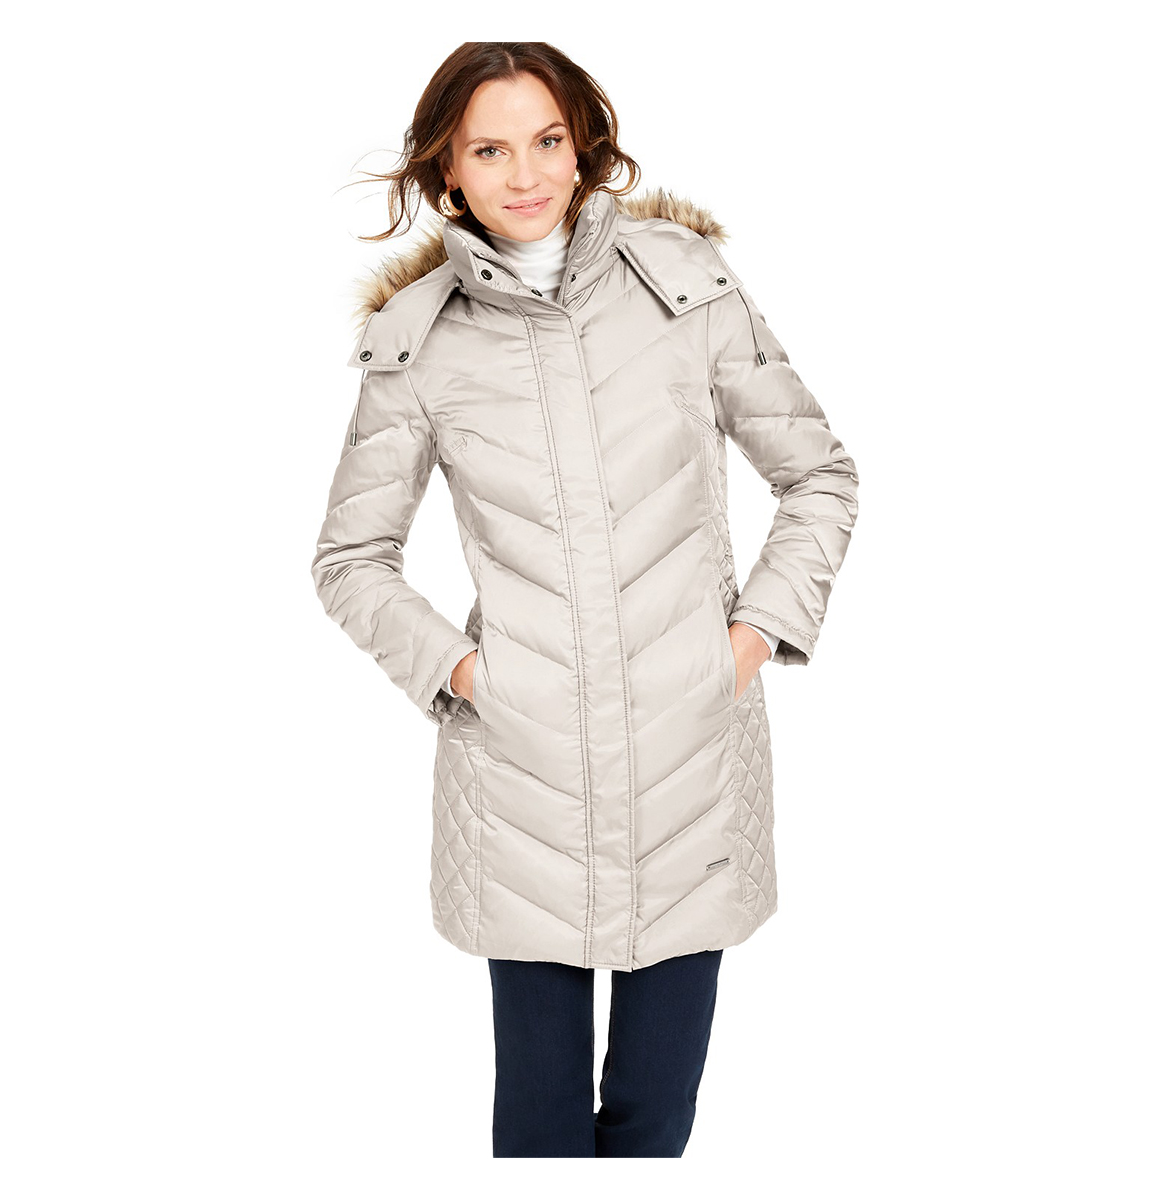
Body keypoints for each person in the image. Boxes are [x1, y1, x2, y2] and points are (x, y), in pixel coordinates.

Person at [311, 42, 859, 1158]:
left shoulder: (686, 286)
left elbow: (819, 476)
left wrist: (750, 639)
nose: (525, 175)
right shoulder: (419, 344)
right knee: (542, 1122)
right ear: (448, 170)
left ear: (584, 144)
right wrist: (467, 675)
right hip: (522, 780)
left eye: (548, 140)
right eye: (490, 150)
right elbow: (352, 557)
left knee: (657, 1117)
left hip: (690, 756)